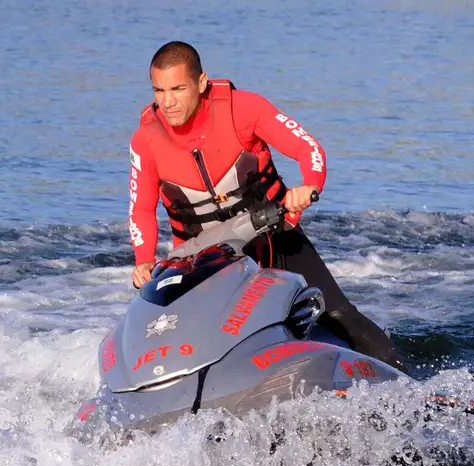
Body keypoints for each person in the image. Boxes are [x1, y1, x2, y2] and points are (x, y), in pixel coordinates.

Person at [126, 41, 406, 371]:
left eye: (177, 89)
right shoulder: (146, 140)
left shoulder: (242, 109)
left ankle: (405, 383)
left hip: (273, 239)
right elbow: (140, 209)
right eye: (159, 90)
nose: (167, 102)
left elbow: (308, 148)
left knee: (338, 314)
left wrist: (309, 185)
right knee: (185, 338)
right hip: (203, 263)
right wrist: (144, 260)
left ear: (201, 83)